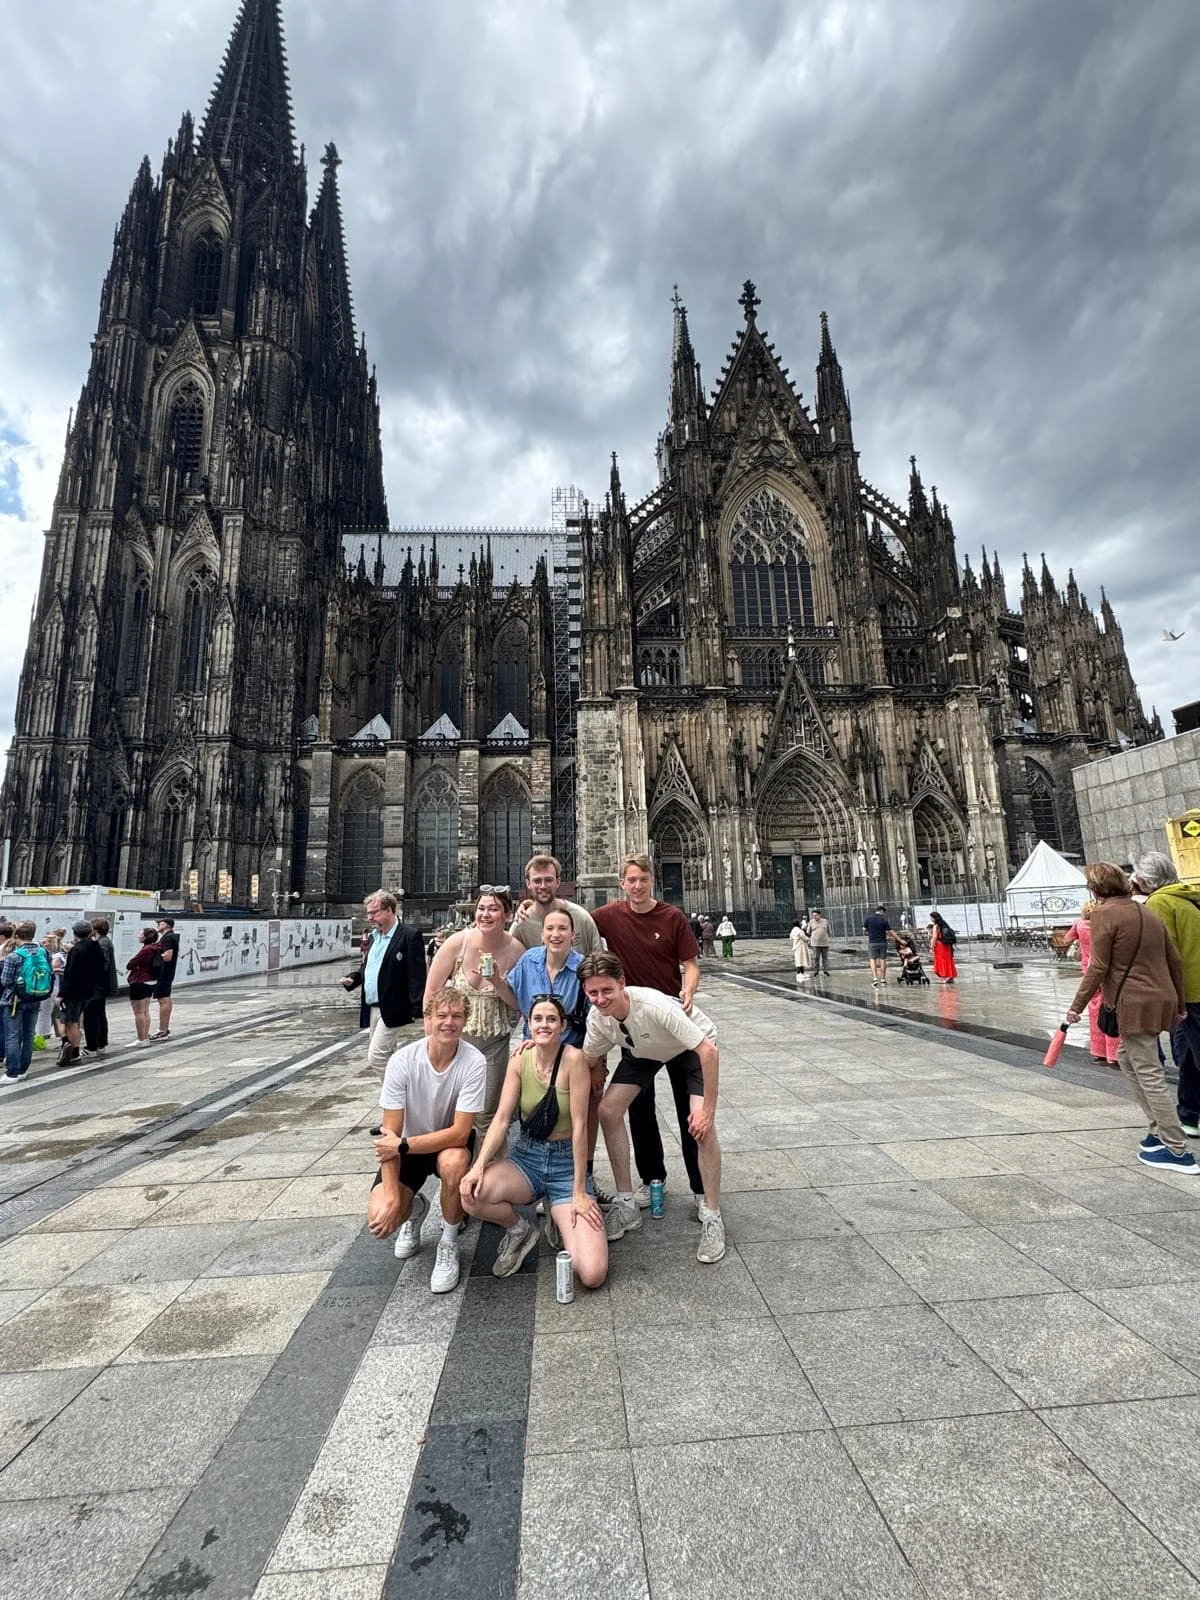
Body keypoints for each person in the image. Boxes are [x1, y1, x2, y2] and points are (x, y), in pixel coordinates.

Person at [580, 952, 726, 1263]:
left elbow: (708, 1051)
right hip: (645, 1051)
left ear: (622, 983)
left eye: (607, 990)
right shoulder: (598, 1019)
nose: (601, 999)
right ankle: (626, 1203)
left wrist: (707, 1111)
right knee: (608, 1110)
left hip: (689, 1049)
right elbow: (587, 1059)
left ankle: (713, 1215)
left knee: (701, 1127)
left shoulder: (653, 1006)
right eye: (593, 992)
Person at [461, 994, 608, 1284]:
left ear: (562, 1026)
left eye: (551, 1019)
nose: (544, 1025)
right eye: (537, 1019)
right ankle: (520, 1230)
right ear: (528, 1025)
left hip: (566, 1165)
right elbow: (502, 1118)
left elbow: (581, 1127)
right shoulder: (520, 1058)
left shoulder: (574, 1060)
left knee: (592, 1274)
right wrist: (478, 1165)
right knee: (471, 1196)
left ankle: (559, 1210)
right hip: (527, 1158)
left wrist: (579, 1190)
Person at [1065, 862, 1196, 1173]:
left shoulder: (1103, 915)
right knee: (1126, 1056)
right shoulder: (1147, 910)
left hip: (1134, 1003)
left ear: (1095, 889)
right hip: (1161, 997)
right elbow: (1174, 959)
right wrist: (1178, 1000)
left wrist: (1077, 1006)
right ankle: (1156, 1131)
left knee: (1150, 1074)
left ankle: (1178, 1150)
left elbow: (1098, 967)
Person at [594, 854, 705, 1214]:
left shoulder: (672, 917)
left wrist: (689, 989)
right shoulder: (609, 916)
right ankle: (651, 1178)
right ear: (621, 883)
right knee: (639, 1109)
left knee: (691, 1108)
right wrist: (532, 908)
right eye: (631, 880)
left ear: (651, 881)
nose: (637, 886)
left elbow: (690, 965)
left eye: (643, 879)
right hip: (636, 1028)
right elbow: (572, 922)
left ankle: (701, 1188)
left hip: (673, 1023)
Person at [367, 986, 483, 1293]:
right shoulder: (403, 1061)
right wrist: (392, 1197)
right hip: (406, 1146)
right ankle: (415, 1208)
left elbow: (460, 1132)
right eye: (441, 1015)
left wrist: (404, 1145)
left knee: (455, 1162)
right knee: (382, 1218)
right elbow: (388, 1136)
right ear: (428, 1019)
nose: (449, 1023)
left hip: (446, 1144)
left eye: (456, 1016)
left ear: (465, 1020)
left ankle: (449, 1240)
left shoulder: (474, 1061)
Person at [424, 888, 523, 1132]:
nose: (486, 914)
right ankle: (452, 1165)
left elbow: (520, 1005)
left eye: (493, 909)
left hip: (494, 1045)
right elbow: (432, 992)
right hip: (454, 1042)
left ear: (507, 915)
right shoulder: (458, 943)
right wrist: (430, 1041)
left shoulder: (517, 951)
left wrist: (498, 982)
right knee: (449, 1111)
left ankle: (482, 1167)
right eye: (481, 908)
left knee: (486, 1115)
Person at [1132, 851, 1200, 1135]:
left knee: (1194, 1053)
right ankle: (1189, 1116)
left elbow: (1163, 951)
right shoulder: (1189, 899)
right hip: (1192, 989)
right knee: (1185, 1054)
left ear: (1146, 880)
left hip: (1188, 992)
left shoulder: (1160, 902)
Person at [342, 890, 428, 1074]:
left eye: (374, 913)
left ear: (389, 910)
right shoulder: (374, 937)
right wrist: (354, 979)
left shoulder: (409, 936)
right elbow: (368, 967)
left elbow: (417, 974)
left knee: (377, 1056)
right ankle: (397, 1099)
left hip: (394, 1006)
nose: (370, 917)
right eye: (368, 913)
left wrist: (416, 1008)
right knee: (389, 1055)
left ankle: (397, 1094)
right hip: (372, 1006)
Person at [508, 907, 587, 1046]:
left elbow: (596, 1019)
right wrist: (495, 980)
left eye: (562, 928)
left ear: (573, 934)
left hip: (570, 1050)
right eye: (549, 928)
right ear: (542, 934)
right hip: (532, 1047)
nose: (555, 934)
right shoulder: (528, 960)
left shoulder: (584, 968)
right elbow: (513, 997)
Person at [1061, 903, 1120, 1066]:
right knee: (1111, 1011)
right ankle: (1114, 1054)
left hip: (1088, 971)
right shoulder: (1103, 925)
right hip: (1107, 971)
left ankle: (1098, 1051)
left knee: (1095, 1012)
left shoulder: (1079, 924)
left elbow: (1066, 939)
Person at [510, 854, 601, 956]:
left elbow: (599, 960)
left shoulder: (581, 918)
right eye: (537, 881)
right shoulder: (521, 925)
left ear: (557, 882)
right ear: (528, 884)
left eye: (548, 880)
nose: (543, 886)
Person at [2, 922, 54, 1083]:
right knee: (29, 1034)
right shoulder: (44, 952)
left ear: (17, 935)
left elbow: (5, 980)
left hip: (14, 1001)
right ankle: (23, 1069)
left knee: (12, 1036)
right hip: (36, 997)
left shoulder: (14, 955)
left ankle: (12, 1072)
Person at [57, 922, 108, 1068]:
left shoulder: (77, 950)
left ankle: (73, 1053)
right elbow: (100, 968)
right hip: (89, 990)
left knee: (70, 1021)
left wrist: (61, 994)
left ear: (75, 933)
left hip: (74, 991)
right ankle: (70, 1048)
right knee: (75, 1020)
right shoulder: (96, 946)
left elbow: (70, 974)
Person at [82, 916, 120, 1058]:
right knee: (99, 1015)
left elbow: (101, 965)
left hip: (97, 987)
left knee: (92, 1016)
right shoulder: (104, 941)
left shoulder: (101, 944)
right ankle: (100, 1044)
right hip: (101, 987)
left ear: (95, 930)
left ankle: (92, 1046)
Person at [126, 928, 163, 1046]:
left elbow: (130, 964)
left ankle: (141, 1039)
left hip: (140, 980)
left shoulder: (146, 950)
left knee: (139, 1012)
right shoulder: (156, 948)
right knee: (145, 1010)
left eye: (141, 934)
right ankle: (145, 1036)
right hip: (151, 980)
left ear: (146, 937)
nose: (138, 935)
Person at [151, 917, 181, 1040]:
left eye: (160, 923)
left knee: (163, 999)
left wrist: (152, 957)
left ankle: (162, 1030)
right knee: (165, 998)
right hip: (167, 972)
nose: (157, 925)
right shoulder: (171, 937)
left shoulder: (168, 938)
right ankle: (163, 1028)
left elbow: (167, 956)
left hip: (164, 972)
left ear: (167, 926)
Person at [864, 905, 891, 986]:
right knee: (883, 960)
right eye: (884, 913)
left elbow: (864, 930)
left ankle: (875, 978)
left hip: (872, 942)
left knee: (873, 960)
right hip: (882, 942)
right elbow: (889, 931)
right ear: (882, 911)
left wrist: (869, 934)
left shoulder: (868, 918)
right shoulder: (884, 920)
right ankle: (883, 979)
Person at [929, 912, 958, 984]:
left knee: (941, 960)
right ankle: (950, 977)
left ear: (934, 918)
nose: (931, 919)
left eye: (932, 918)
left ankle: (944, 976)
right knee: (948, 960)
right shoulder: (944, 925)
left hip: (939, 945)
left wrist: (932, 946)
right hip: (947, 945)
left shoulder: (936, 926)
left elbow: (934, 937)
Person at [808, 909, 831, 976]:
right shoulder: (811, 922)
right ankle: (816, 971)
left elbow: (829, 931)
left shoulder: (825, 921)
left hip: (825, 943)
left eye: (815, 915)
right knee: (816, 958)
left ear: (819, 915)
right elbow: (808, 932)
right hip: (815, 944)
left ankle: (825, 970)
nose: (814, 917)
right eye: (813, 916)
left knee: (825, 958)